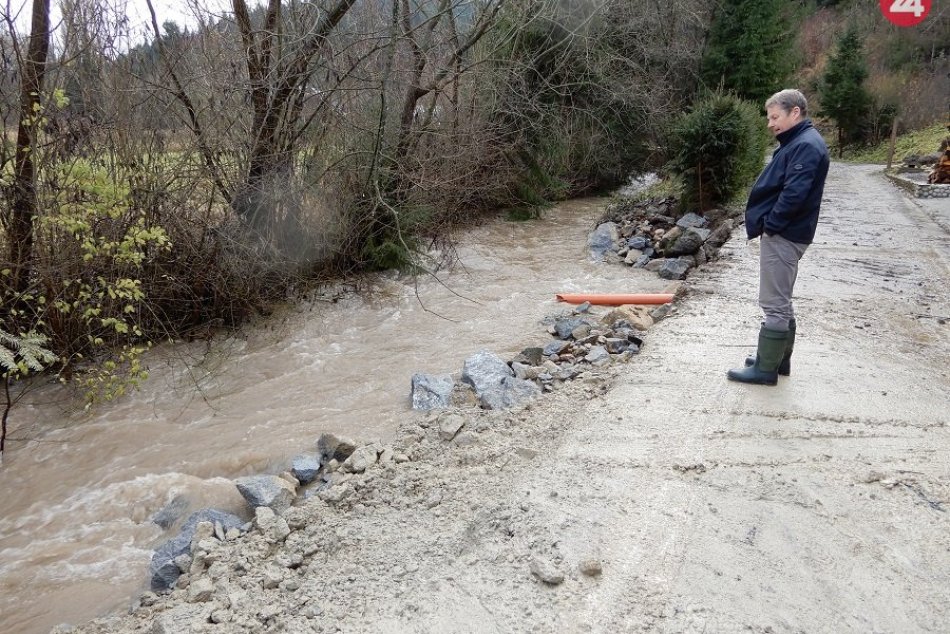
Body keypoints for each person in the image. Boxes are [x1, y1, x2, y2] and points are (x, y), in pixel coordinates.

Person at [728, 89, 830, 386]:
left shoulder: (806, 145)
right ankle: (777, 360)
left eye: (775, 117)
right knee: (781, 299)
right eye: (769, 117)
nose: (770, 123)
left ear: (794, 113)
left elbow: (794, 193)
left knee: (773, 301)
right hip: (788, 232)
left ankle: (766, 369)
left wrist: (771, 225)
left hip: (785, 234)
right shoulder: (800, 141)